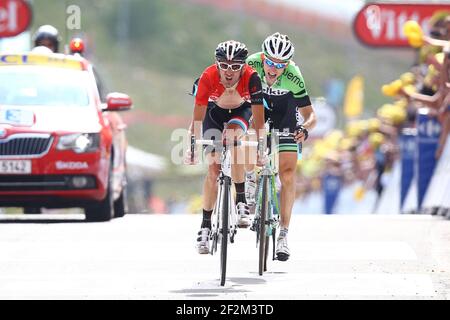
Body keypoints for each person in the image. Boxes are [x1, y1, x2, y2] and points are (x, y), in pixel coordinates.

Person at [186, 40, 265, 254]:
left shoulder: (252, 79)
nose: (229, 72)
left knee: (233, 136)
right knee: (213, 169)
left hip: (241, 112)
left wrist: (261, 149)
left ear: (243, 67)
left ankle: (240, 200)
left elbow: (259, 118)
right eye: (224, 65)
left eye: (235, 66)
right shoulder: (208, 77)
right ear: (217, 64)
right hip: (214, 113)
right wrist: (191, 146)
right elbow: (197, 118)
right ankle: (204, 226)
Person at [246, 32, 316, 261]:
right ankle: (247, 183)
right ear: (262, 57)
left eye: (280, 65)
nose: (273, 69)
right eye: (270, 62)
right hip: (258, 109)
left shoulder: (294, 77)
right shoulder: (251, 63)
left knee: (287, 174)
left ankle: (283, 234)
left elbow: (310, 114)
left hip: (286, 114)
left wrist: (304, 128)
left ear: (288, 64)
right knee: (245, 136)